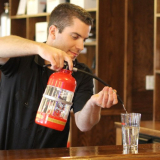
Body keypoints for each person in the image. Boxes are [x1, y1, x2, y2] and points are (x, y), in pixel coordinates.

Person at [0, 3, 118, 150]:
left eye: (84, 39)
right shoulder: (22, 58)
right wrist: (40, 47)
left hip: (53, 155)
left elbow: (84, 125)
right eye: (75, 37)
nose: (81, 46)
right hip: (9, 155)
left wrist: (93, 104)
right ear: (53, 31)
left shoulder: (81, 73)